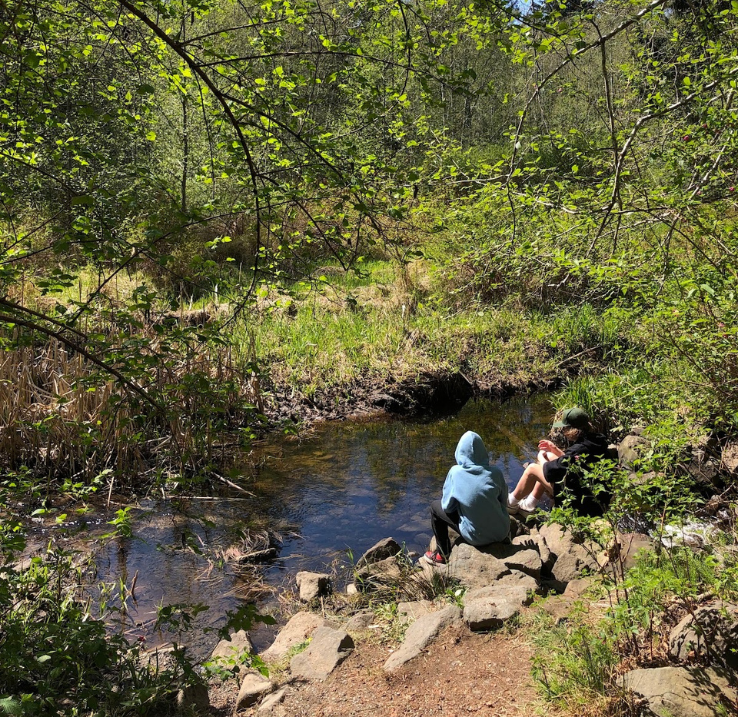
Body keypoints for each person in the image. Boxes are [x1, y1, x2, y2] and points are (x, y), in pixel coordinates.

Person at [422, 431, 510, 566]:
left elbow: (447, 507)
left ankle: (442, 553)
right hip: (502, 532)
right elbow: (504, 502)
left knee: (435, 507)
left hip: (476, 537)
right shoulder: (495, 473)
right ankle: (504, 539)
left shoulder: (455, 472)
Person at [507, 407, 611, 518]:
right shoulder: (594, 441)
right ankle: (529, 505)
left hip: (579, 500)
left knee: (532, 469)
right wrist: (554, 449)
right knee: (550, 456)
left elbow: (551, 470)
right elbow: (569, 461)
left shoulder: (578, 449)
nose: (563, 432)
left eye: (564, 429)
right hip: (591, 492)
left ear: (573, 430)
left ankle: (511, 503)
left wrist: (541, 458)